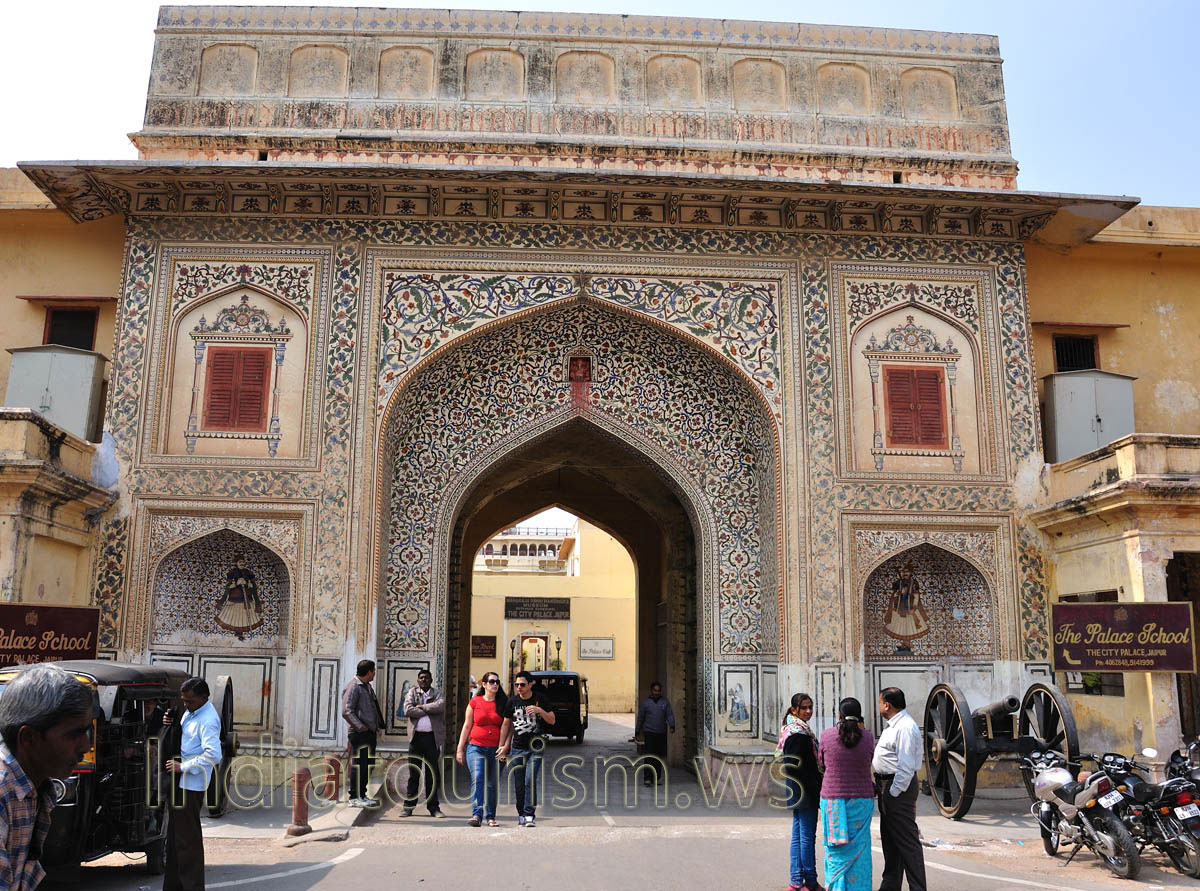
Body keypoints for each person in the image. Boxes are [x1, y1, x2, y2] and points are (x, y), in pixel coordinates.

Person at [0, 665, 94, 891]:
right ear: (28, 738)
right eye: (74, 734)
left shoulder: (34, 788)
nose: (85, 746)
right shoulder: (4, 790)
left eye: (85, 731)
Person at [165, 676, 222, 891]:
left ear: (203, 698)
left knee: (188, 841)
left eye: (189, 701)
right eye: (183, 700)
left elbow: (213, 754)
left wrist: (183, 767)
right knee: (174, 839)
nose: (185, 704)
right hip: (179, 782)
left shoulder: (208, 719)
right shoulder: (191, 712)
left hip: (190, 785)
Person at [817, 697, 876, 891]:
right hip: (862, 800)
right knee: (861, 848)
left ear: (839, 715)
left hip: (833, 800)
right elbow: (869, 760)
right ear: (860, 716)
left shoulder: (826, 736)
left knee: (835, 849)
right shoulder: (868, 737)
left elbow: (822, 764)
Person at [873, 687, 927, 891]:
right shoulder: (894, 725)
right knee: (890, 841)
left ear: (887, 705)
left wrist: (893, 792)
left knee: (907, 842)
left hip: (896, 787)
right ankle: (890, 886)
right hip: (886, 785)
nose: (879, 706)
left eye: (880, 702)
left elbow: (906, 767)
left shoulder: (905, 727)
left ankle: (917, 888)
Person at [498, 669, 556, 827]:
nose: (519, 687)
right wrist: (502, 746)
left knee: (529, 780)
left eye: (522, 684)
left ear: (531, 684)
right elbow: (506, 724)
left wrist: (539, 711)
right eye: (516, 685)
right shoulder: (512, 702)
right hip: (518, 747)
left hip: (535, 746)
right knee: (519, 783)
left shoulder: (540, 699)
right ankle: (521, 814)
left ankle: (529, 814)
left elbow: (552, 720)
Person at [779, 693, 823, 891]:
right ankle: (810, 881)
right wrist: (815, 785)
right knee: (806, 836)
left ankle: (797, 880)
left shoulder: (797, 729)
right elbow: (793, 765)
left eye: (810, 707)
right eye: (804, 708)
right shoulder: (798, 733)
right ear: (794, 710)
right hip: (805, 790)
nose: (808, 711)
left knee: (799, 835)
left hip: (799, 789)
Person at [455, 671, 506, 826]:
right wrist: (459, 749)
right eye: (491, 682)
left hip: (496, 750)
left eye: (497, 682)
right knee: (478, 778)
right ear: (484, 684)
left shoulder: (503, 703)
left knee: (492, 784)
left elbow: (508, 727)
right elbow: (467, 726)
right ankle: (477, 815)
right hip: (476, 747)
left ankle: (491, 817)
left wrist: (505, 747)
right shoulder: (474, 702)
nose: (495, 684)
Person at [401, 668, 446, 818]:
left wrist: (423, 707)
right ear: (417, 680)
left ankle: (434, 808)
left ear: (431, 680)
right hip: (416, 739)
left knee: (432, 774)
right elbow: (408, 710)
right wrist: (427, 711)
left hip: (432, 739)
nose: (424, 680)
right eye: (421, 678)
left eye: (426, 678)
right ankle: (408, 807)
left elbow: (440, 705)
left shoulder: (437, 693)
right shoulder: (412, 692)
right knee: (414, 773)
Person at [340, 659, 384, 808]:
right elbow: (347, 711)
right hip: (360, 734)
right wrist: (361, 727)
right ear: (369, 672)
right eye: (373, 671)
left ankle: (362, 794)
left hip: (369, 733)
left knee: (368, 765)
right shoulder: (354, 687)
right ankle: (354, 797)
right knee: (359, 765)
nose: (374, 674)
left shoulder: (366, 687)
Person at [635, 681, 675, 786]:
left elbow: (669, 714)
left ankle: (656, 778)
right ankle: (647, 778)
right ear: (651, 691)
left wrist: (672, 725)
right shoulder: (646, 703)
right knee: (649, 756)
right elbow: (641, 718)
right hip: (649, 733)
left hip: (661, 733)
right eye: (655, 690)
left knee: (658, 756)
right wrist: (637, 731)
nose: (657, 692)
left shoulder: (665, 702)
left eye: (658, 691)